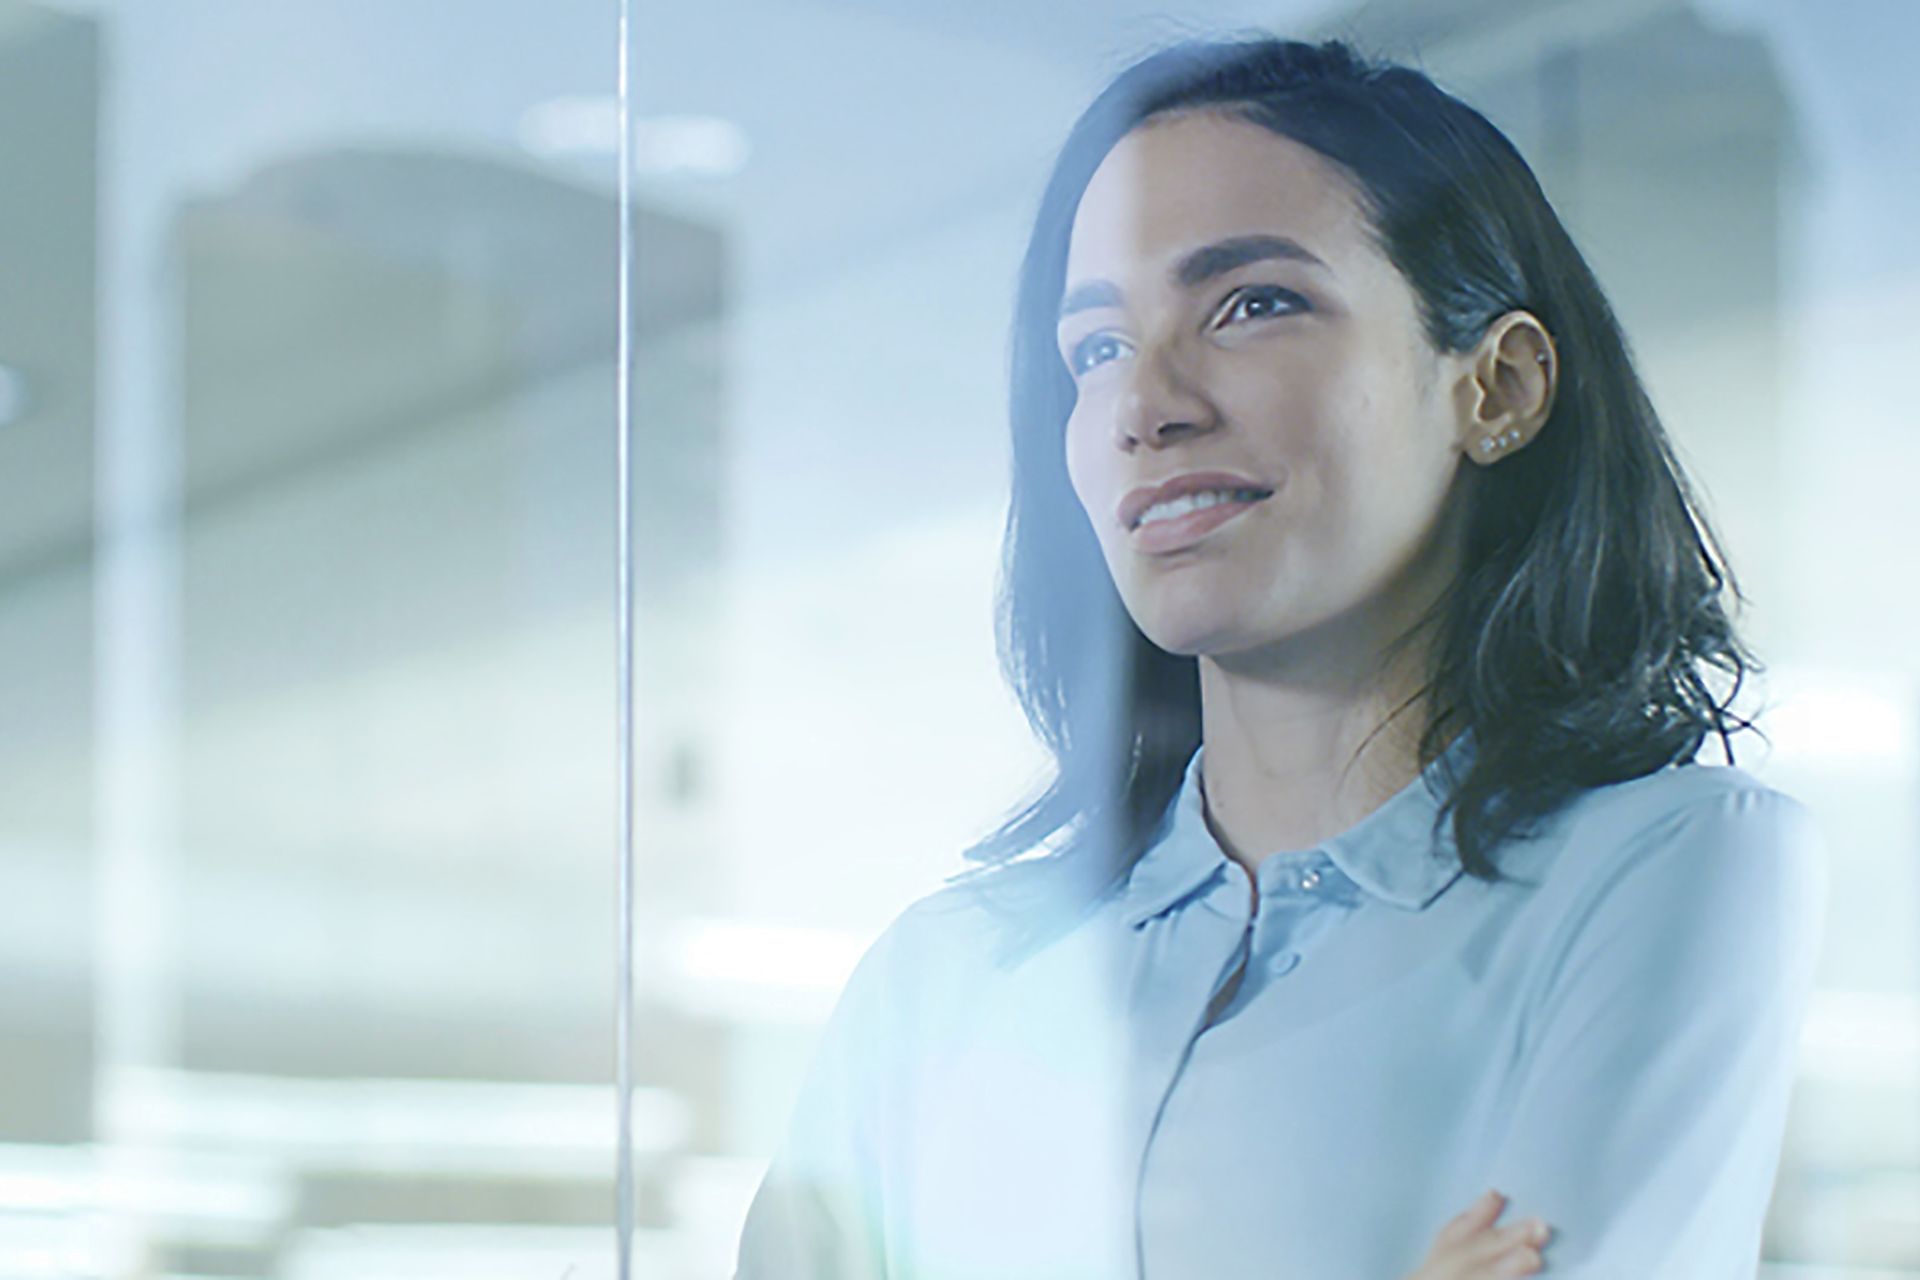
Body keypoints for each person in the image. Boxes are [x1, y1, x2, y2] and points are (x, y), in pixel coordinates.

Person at [733, 34, 1827, 1280]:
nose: (1147, 401)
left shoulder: (1673, 866)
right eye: (1094, 347)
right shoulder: (941, 975)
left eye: (1252, 303)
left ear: (1500, 387)